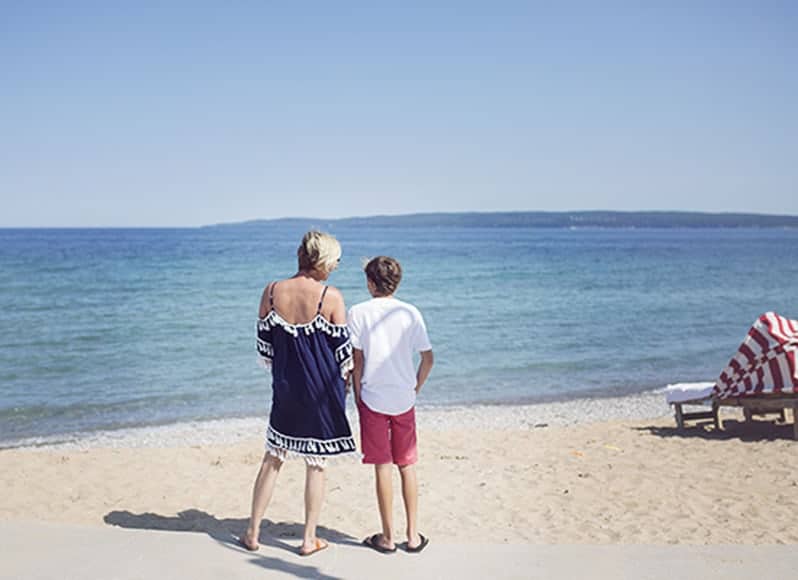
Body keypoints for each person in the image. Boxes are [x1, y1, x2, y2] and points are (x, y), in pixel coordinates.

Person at [241, 230, 356, 556]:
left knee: (273, 457)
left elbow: (265, 350)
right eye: (335, 261)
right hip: (321, 391)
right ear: (323, 260)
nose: (335, 267)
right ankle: (308, 539)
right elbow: (343, 356)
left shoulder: (272, 292)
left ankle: (252, 533)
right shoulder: (330, 297)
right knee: (316, 463)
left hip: (286, 388)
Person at [347, 256, 434, 554]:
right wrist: (415, 388)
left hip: (373, 398)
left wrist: (358, 396)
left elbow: (357, 361)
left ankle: (387, 537)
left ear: (370, 283)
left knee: (382, 465)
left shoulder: (357, 312)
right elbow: (428, 358)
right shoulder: (410, 312)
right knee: (407, 465)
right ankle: (411, 536)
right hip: (403, 399)